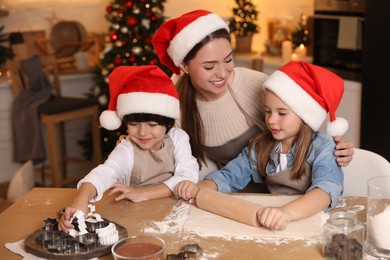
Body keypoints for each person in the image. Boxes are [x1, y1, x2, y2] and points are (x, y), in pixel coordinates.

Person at [151, 9, 354, 180]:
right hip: (229, 190)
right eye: (209, 66)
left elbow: (304, 126)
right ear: (185, 66)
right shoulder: (175, 102)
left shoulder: (254, 84)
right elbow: (167, 156)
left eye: (228, 59)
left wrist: (336, 149)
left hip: (280, 192)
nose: (222, 73)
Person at [175, 61, 347, 230]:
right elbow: (230, 175)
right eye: (267, 111)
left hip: (313, 222)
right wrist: (197, 189)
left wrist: (285, 213)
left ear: (305, 116)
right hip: (276, 221)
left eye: (281, 113)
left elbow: (325, 191)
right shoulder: (261, 145)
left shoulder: (323, 148)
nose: (271, 120)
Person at [58, 65, 198, 233]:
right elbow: (104, 173)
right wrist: (80, 200)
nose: (142, 132)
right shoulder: (126, 149)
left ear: (167, 122)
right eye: (133, 124)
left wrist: (143, 193)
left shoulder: (178, 138)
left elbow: (187, 175)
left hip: (174, 215)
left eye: (152, 125)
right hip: (134, 217)